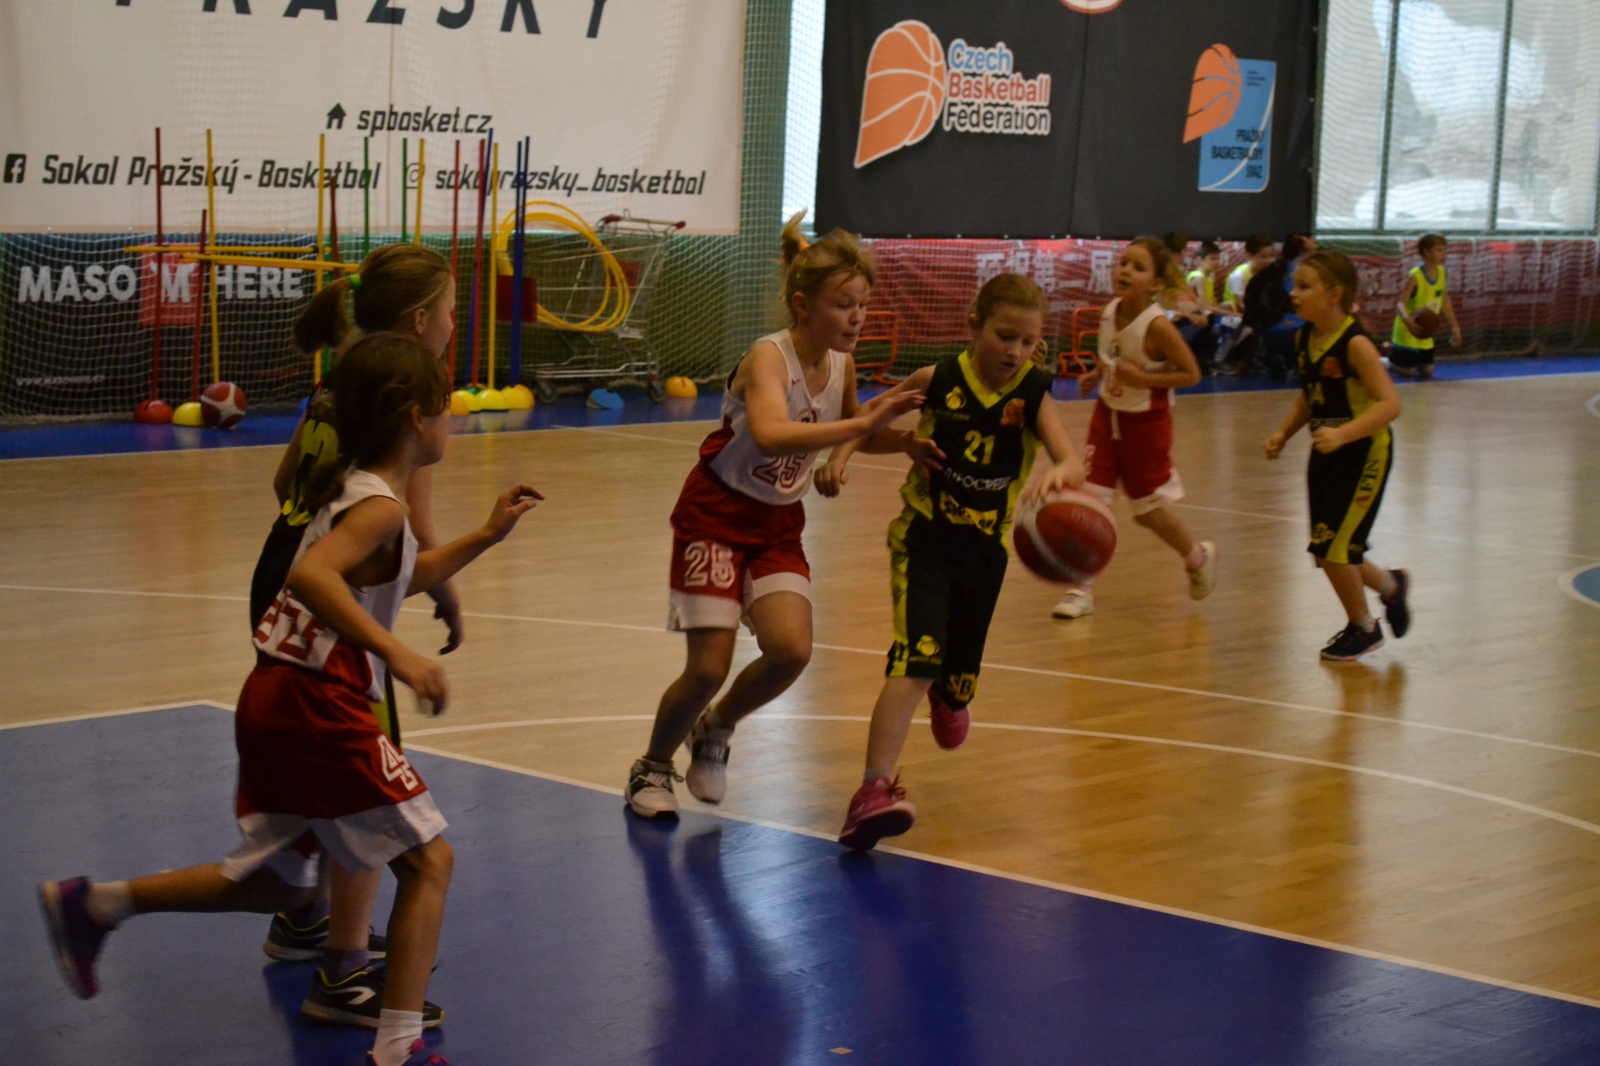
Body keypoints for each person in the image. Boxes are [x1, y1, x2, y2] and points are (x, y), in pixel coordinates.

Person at [40, 334, 542, 1066]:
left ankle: (96, 905)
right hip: (316, 703)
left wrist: (487, 536)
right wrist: (400, 655)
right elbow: (311, 577)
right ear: (415, 418)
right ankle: (399, 1046)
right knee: (430, 863)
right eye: (446, 408)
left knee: (278, 885)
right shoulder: (380, 509)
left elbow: (395, 575)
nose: (453, 421)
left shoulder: (360, 492)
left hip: (273, 695)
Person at [623, 213, 924, 820]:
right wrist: (862, 424)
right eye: (844, 305)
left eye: (863, 306)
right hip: (715, 515)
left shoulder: (841, 364)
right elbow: (769, 432)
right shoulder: (768, 358)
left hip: (778, 525)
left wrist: (907, 444)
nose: (857, 318)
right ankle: (651, 766)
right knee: (708, 667)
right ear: (802, 306)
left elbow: (857, 431)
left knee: (791, 650)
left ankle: (716, 727)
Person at [250, 243, 465, 1029]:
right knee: (370, 776)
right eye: (452, 311)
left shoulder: (341, 377)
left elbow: (285, 483)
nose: (455, 324)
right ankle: (343, 969)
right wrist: (444, 593)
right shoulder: (410, 394)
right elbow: (417, 527)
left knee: (324, 758)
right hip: (331, 593)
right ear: (421, 320)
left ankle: (302, 915)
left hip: (280, 568)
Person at [818, 273, 1086, 850]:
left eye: (1027, 342)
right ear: (974, 326)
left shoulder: (1034, 392)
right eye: (1004, 336)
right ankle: (872, 790)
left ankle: (951, 692)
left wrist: (1060, 473)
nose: (1014, 351)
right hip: (926, 540)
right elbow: (871, 418)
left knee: (955, 689)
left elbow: (1071, 459)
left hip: (986, 554)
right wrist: (841, 456)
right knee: (915, 661)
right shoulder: (936, 379)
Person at [1051, 238, 1216, 621]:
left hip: (1146, 424)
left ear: (1155, 283)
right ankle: (1081, 589)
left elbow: (1191, 374)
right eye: (1124, 262)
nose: (1125, 270)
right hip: (1107, 416)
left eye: (1138, 267)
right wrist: (1096, 374)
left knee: (1147, 512)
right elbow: (1114, 355)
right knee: (1091, 500)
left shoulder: (1158, 326)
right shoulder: (1110, 311)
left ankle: (1197, 558)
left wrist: (1144, 379)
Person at [1264, 251, 1410, 661]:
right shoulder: (1304, 339)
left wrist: (1344, 433)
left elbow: (1390, 404)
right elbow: (1309, 397)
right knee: (1326, 546)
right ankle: (1391, 587)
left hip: (1364, 454)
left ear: (1334, 294)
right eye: (1294, 285)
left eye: (1304, 286)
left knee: (1334, 548)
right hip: (1327, 451)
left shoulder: (1356, 344)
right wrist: (1283, 433)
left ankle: (1364, 628)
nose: (1294, 294)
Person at [1244, 232, 1318, 377]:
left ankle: (1277, 358)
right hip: (1286, 332)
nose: (1316, 244)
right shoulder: (1299, 270)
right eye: (1313, 241)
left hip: (1268, 331)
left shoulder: (1276, 269)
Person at [1389, 233, 1461, 380]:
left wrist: (1455, 327)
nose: (1443, 254)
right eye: (1439, 250)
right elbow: (1400, 304)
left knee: (1427, 370)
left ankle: (1404, 359)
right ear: (1426, 252)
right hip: (1408, 328)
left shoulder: (1442, 272)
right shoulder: (1415, 276)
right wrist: (1408, 320)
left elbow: (1445, 300)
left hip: (1425, 329)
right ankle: (1387, 361)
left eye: (1444, 250)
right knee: (1409, 372)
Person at [1214, 234, 1277, 372]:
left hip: (1249, 315)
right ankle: (1220, 360)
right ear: (1249, 255)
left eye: (1270, 256)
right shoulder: (1240, 275)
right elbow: (1241, 304)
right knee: (1246, 325)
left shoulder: (1266, 274)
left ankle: (1258, 360)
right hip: (1229, 315)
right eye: (1263, 256)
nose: (1267, 261)